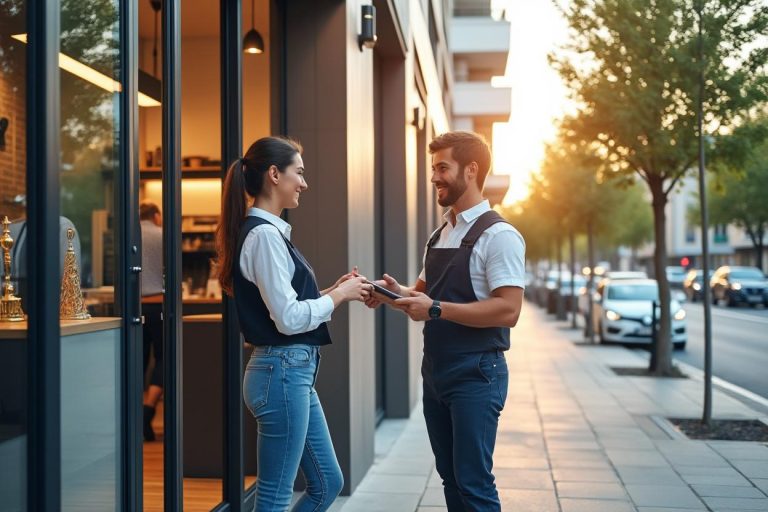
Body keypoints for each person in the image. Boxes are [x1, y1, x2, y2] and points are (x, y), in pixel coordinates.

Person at [366, 131, 525, 511]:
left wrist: (435, 308)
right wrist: (389, 292)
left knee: (473, 483)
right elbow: (421, 294)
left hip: (476, 373)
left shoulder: (500, 235)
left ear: (471, 171)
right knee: (451, 479)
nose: (434, 176)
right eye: (433, 167)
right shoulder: (443, 231)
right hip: (436, 371)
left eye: (442, 167)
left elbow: (509, 310)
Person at [216, 136, 372, 511]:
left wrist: (335, 290)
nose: (303, 183)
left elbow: (288, 308)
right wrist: (338, 296)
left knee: (327, 482)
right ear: (274, 175)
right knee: (274, 496)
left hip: (289, 374)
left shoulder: (266, 234)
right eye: (298, 173)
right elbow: (287, 320)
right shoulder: (266, 236)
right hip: (282, 372)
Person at [139, 201, 164, 441]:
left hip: (134, 307)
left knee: (138, 359)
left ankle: (134, 414)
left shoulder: (130, 235)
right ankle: (148, 411)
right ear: (156, 215)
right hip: (159, 305)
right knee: (164, 358)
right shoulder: (162, 234)